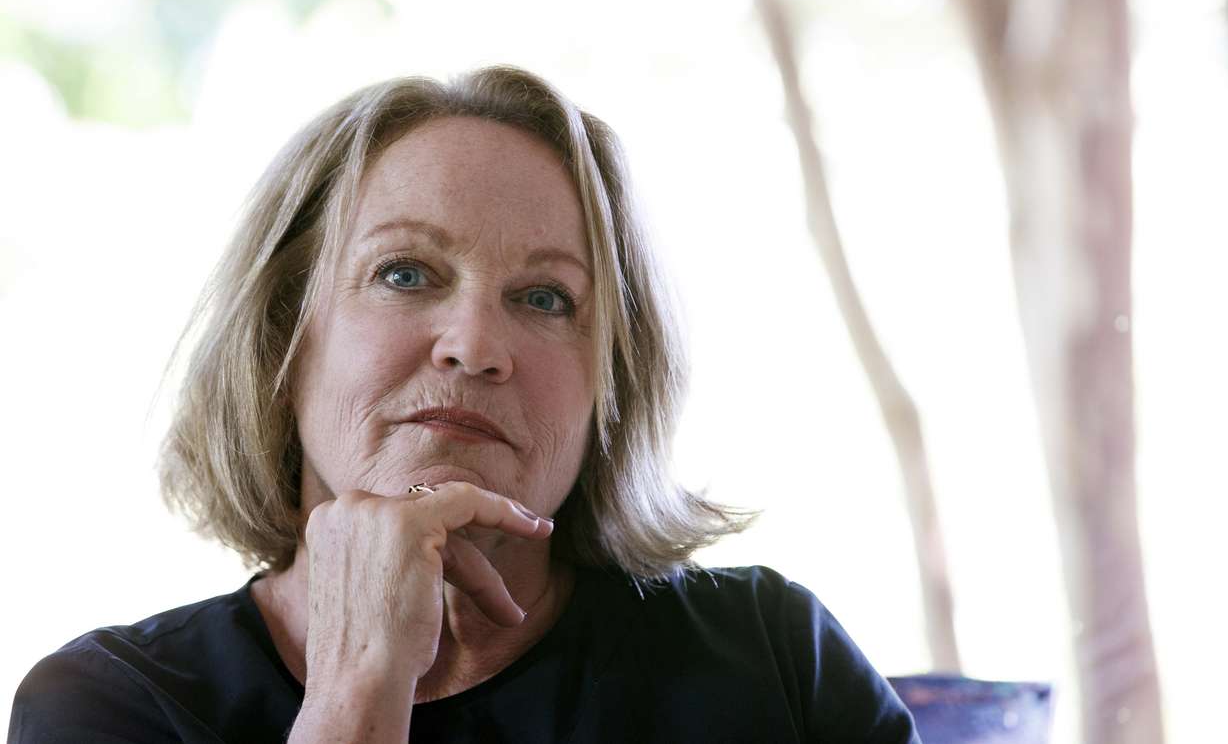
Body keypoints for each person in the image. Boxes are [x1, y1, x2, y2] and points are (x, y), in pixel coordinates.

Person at [8, 66, 920, 743]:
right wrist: (358, 688)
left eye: (544, 298)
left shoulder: (771, 660)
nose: (475, 344)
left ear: (612, 380)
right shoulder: (110, 705)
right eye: (405, 274)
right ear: (284, 337)